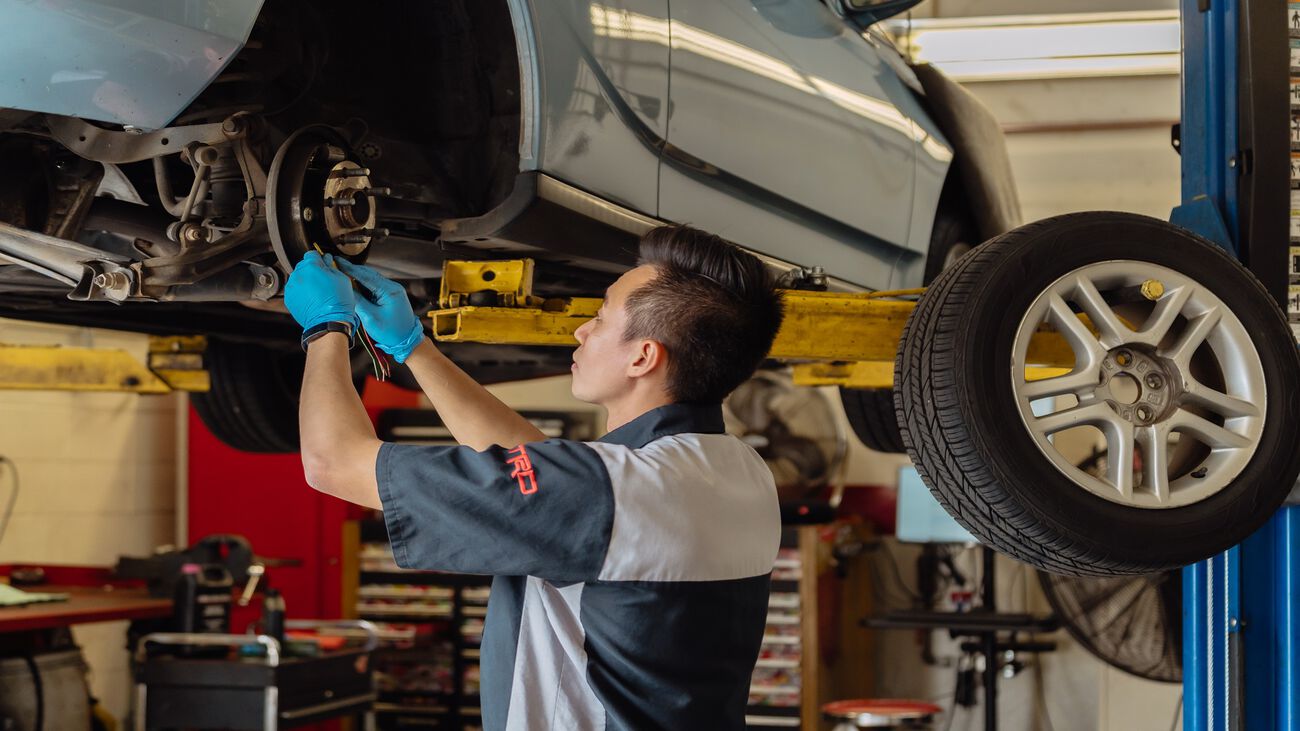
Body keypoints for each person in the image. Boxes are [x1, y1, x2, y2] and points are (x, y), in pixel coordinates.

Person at [283, 225, 786, 730]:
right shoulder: (738, 472)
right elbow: (541, 472)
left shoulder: (607, 491)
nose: (580, 332)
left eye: (600, 316)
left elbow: (333, 463)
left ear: (642, 357)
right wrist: (415, 349)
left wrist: (326, 329)